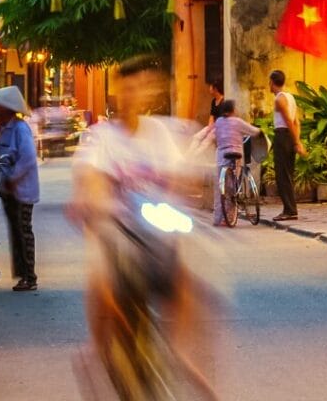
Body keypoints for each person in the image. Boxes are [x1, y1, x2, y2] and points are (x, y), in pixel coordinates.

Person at [71, 57, 217, 400]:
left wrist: (185, 186)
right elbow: (89, 179)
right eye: (127, 87)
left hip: (154, 225)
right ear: (116, 90)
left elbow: (180, 176)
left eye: (141, 87)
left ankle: (181, 353)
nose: (133, 95)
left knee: (190, 277)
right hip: (115, 226)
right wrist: (94, 199)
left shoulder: (162, 133)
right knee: (102, 278)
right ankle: (96, 350)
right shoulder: (100, 137)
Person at [0, 85, 40, 291]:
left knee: (23, 231)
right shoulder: (0, 129)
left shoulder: (19, 128)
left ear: (5, 109)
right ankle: (22, 275)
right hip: (6, 187)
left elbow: (27, 159)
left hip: (21, 190)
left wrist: (14, 179)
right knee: (15, 232)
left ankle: (30, 276)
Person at [195, 99, 261, 226]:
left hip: (222, 156)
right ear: (233, 110)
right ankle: (229, 217)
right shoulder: (237, 122)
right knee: (232, 187)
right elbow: (253, 131)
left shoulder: (218, 122)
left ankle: (217, 219)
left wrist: (199, 151)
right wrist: (260, 132)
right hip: (236, 155)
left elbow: (210, 137)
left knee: (220, 188)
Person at [269, 70, 305, 222]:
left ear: (272, 82)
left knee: (282, 175)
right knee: (287, 174)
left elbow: (290, 121)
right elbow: (297, 122)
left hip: (283, 135)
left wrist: (297, 142)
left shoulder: (279, 99)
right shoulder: (290, 97)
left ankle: (289, 210)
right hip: (289, 136)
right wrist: (297, 139)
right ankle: (290, 209)